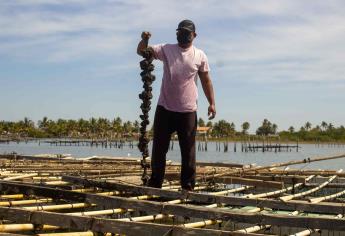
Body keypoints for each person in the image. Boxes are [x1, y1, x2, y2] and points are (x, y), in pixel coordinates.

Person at [136, 19, 216, 191]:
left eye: (187, 32)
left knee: (188, 152)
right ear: (176, 33)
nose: (183, 35)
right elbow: (142, 51)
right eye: (180, 32)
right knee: (159, 149)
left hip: (187, 111)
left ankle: (187, 188)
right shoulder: (166, 49)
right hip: (165, 108)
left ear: (194, 36)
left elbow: (206, 81)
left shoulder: (200, 56)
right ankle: (155, 184)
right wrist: (145, 40)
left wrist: (212, 103)